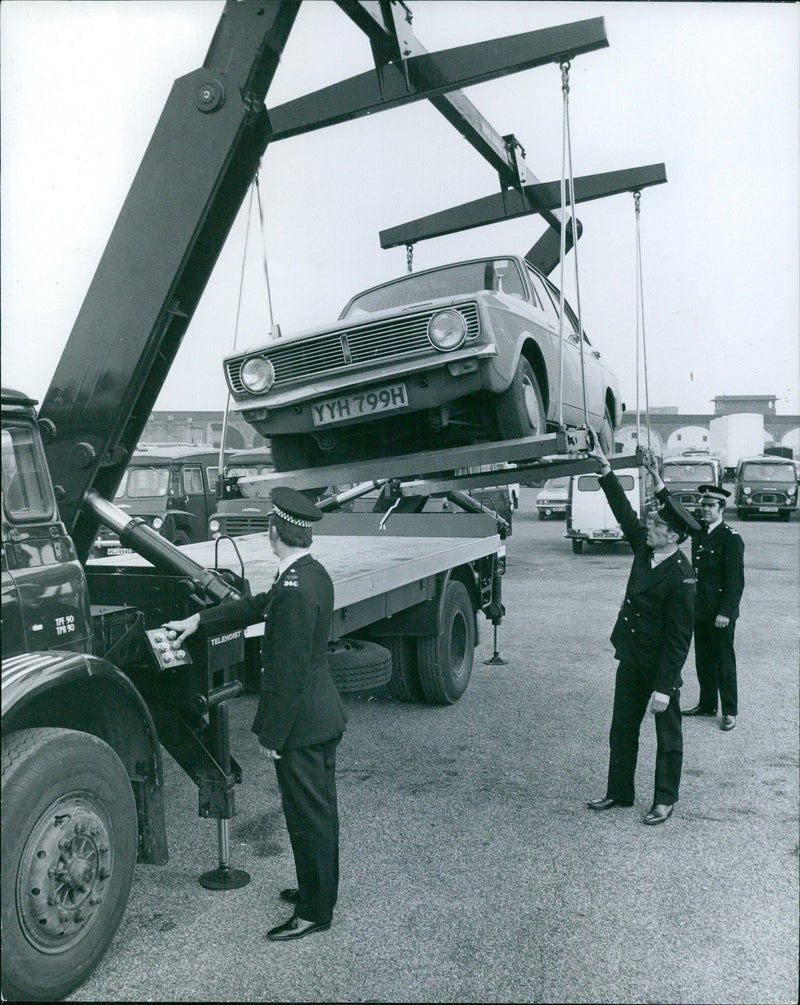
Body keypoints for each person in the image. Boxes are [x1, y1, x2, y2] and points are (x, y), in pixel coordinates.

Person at [165, 487, 347, 941]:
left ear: (273, 530)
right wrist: (198, 623)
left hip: (302, 723)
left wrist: (271, 734)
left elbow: (285, 675)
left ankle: (314, 912)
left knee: (308, 816)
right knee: (319, 811)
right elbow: (254, 605)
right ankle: (316, 892)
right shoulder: (309, 574)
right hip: (321, 713)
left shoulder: (294, 592)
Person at [586, 441, 699, 825]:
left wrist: (665, 687)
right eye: (650, 523)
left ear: (673, 536)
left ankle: (664, 800)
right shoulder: (644, 549)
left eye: (656, 525)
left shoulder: (682, 577)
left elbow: (680, 638)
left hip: (660, 666)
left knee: (667, 737)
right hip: (632, 657)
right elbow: (623, 512)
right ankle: (619, 792)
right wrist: (605, 472)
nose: (648, 528)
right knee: (622, 729)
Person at [646, 469, 745, 731]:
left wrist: (727, 612)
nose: (705, 510)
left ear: (722, 508)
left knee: (724, 660)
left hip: (720, 613)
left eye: (711, 506)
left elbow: (736, 581)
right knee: (703, 658)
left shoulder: (731, 538)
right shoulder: (699, 531)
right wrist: (659, 484)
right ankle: (707, 703)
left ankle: (730, 711)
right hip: (699, 609)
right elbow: (676, 510)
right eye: (703, 505)